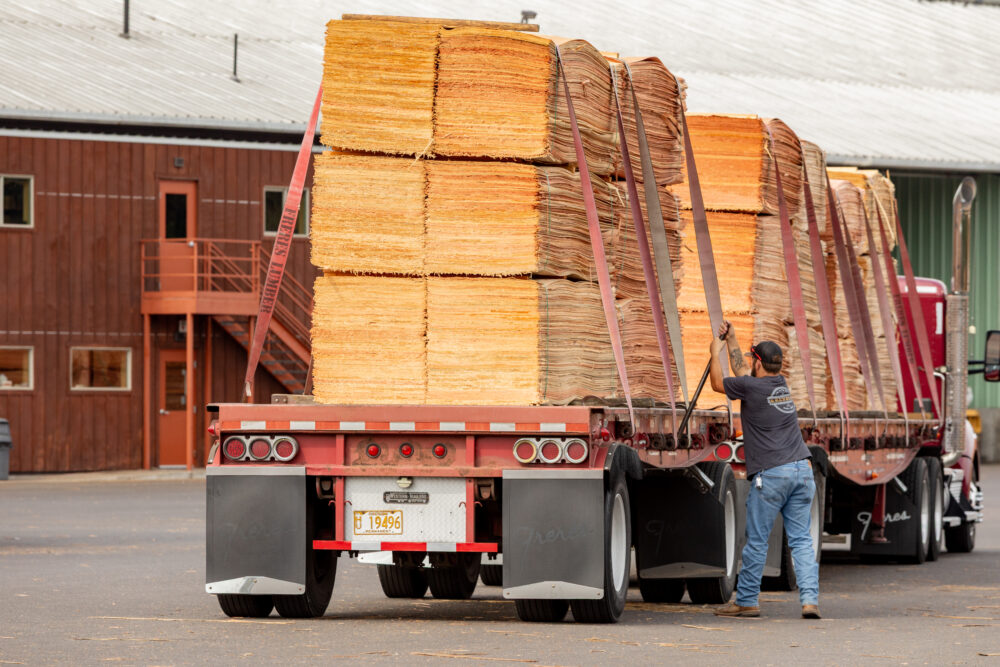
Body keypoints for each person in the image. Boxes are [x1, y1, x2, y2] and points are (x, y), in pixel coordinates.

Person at [708, 320, 820, 619]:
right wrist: (732, 340)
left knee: (757, 541)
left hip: (772, 474)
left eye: (751, 358)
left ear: (757, 362)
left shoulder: (751, 387)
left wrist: (714, 351)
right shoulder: (779, 385)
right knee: (801, 541)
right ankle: (810, 602)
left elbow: (719, 383)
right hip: (802, 470)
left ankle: (747, 602)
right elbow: (743, 374)